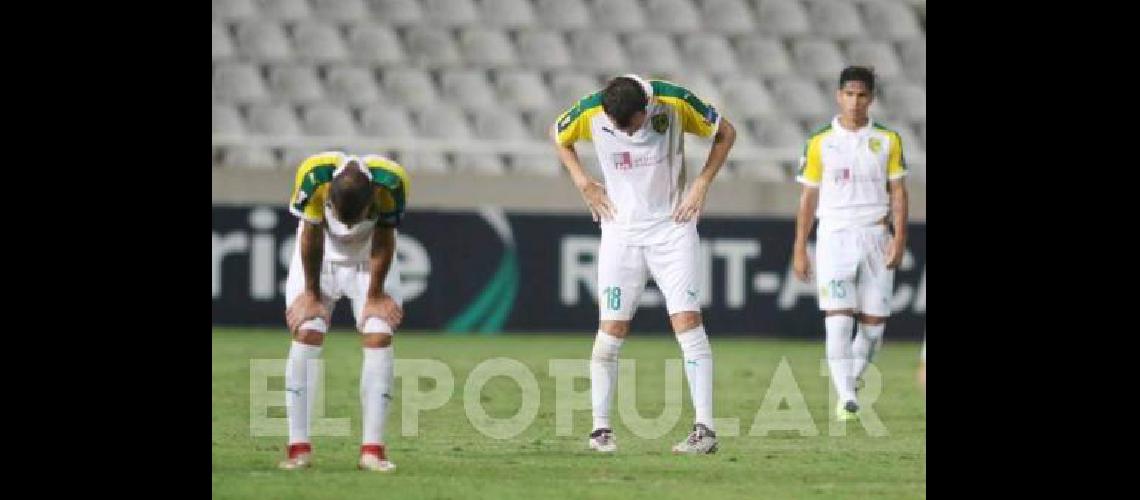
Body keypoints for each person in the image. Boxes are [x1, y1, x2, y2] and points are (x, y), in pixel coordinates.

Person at [552, 74, 737, 454]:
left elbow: (726, 133)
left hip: (673, 227)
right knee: (610, 331)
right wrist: (583, 181)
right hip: (620, 231)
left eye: (632, 125)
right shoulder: (590, 110)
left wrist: (701, 183)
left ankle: (705, 430)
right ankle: (600, 431)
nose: (627, 133)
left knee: (687, 322)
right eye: (616, 127)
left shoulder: (674, 101)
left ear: (646, 110)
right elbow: (558, 133)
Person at [278, 151, 410, 472]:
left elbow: (384, 236)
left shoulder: (392, 181)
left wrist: (375, 295)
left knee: (379, 335)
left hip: (369, 258)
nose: (348, 224)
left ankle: (372, 451)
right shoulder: (313, 175)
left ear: (371, 201)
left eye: (357, 217)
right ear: (330, 200)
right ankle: (298, 448)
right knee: (307, 330)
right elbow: (310, 233)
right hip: (319, 257)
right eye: (341, 215)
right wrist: (311, 294)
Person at [791, 66, 910, 421]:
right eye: (848, 94)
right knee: (839, 320)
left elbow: (900, 193)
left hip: (876, 233)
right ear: (838, 95)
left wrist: (900, 237)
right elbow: (808, 198)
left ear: (871, 98)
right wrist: (800, 246)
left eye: (861, 95)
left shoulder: (888, 140)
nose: (854, 102)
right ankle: (846, 398)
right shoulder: (820, 141)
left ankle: (850, 384)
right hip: (835, 236)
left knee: (873, 329)